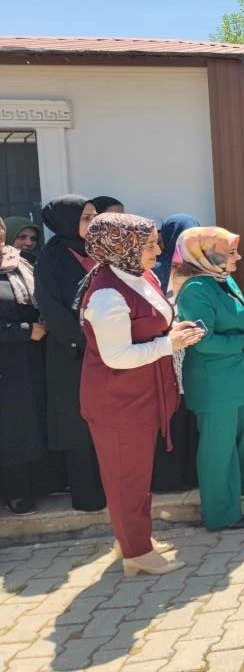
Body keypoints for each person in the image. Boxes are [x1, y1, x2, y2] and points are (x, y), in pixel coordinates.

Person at [80, 213, 202, 575]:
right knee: (125, 478)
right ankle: (135, 552)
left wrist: (174, 328)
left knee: (135, 475)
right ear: (123, 247)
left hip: (140, 396)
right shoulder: (105, 295)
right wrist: (169, 343)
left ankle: (132, 539)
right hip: (117, 402)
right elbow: (116, 356)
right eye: (149, 245)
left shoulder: (137, 274)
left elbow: (156, 317)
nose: (158, 250)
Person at [173, 227, 244, 530]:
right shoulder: (194, 290)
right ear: (207, 255)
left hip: (240, 376)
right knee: (219, 447)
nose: (238, 258)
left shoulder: (221, 278)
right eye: (231, 253)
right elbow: (200, 340)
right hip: (216, 383)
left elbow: (230, 317)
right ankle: (222, 513)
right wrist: (241, 341)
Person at [33, 196, 106, 512]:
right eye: (86, 218)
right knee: (77, 424)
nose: (94, 223)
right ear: (66, 221)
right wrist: (85, 344)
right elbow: (52, 310)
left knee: (105, 421)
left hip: (105, 351)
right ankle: (88, 499)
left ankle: (111, 491)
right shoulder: (50, 259)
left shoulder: (98, 251)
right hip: (71, 353)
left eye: (94, 217)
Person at [149, 213, 202, 494]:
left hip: (194, 354)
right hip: (165, 355)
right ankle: (169, 479)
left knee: (192, 413)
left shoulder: (203, 271)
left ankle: (192, 475)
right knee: (170, 415)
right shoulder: (153, 272)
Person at [0, 217, 48, 515]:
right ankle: (16, 492)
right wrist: (23, 330)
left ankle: (41, 484)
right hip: (6, 362)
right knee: (12, 426)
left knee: (33, 420)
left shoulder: (20, 261)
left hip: (31, 357)